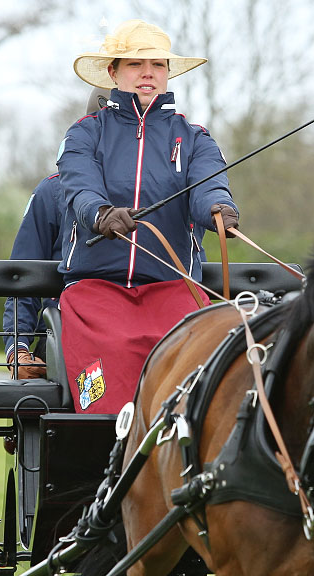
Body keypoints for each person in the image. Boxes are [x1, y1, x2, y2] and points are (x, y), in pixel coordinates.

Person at [56, 19, 240, 413]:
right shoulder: (84, 134)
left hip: (172, 288)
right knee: (116, 356)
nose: (148, 74)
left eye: (157, 65)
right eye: (136, 65)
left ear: (167, 73)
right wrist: (101, 214)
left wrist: (218, 208)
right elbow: (79, 185)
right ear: (114, 72)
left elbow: (208, 185)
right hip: (96, 290)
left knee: (192, 358)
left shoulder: (195, 138)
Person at [3, 87, 112, 379]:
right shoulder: (52, 192)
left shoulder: (167, 194)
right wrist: (18, 348)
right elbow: (22, 276)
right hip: (65, 336)